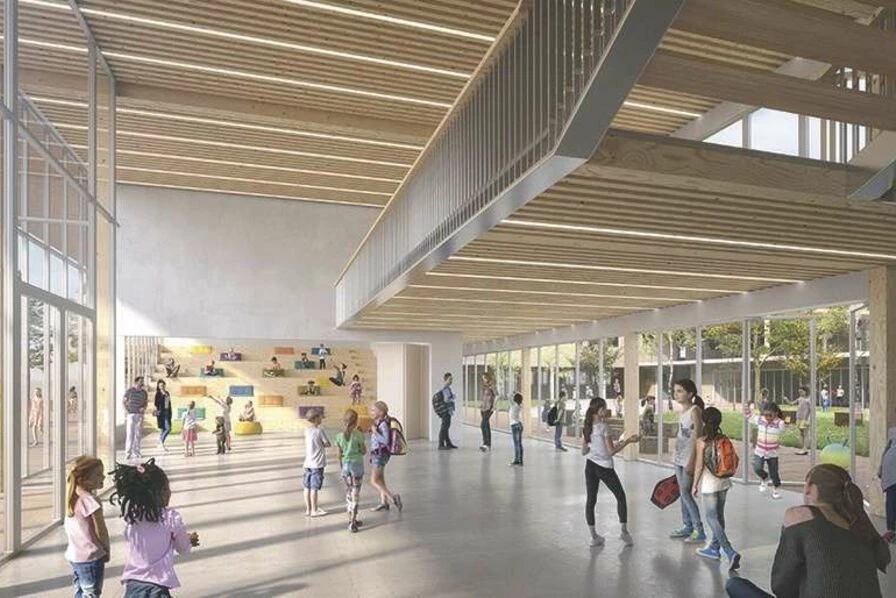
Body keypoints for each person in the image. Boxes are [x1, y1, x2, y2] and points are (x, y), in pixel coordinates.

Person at [726, 464, 890, 598]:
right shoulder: (860, 528)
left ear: (809, 489)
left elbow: (781, 586)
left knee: (735, 585)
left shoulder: (800, 515)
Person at [111, 459, 201, 597]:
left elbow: (138, 538)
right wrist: (188, 540)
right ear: (156, 493)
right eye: (166, 489)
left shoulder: (133, 518)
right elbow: (183, 548)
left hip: (133, 586)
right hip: (157, 588)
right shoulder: (170, 517)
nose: (169, 492)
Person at [582, 397, 638, 547]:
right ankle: (624, 532)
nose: (606, 410)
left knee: (591, 500)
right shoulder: (604, 427)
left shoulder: (587, 426)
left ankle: (594, 536)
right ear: (599, 410)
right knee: (621, 496)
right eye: (604, 408)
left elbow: (583, 451)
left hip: (590, 465)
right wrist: (628, 441)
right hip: (604, 467)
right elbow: (611, 451)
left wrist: (594, 448)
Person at [692, 407, 741, 570]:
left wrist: (694, 485)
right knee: (719, 517)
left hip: (710, 485)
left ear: (704, 421)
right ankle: (714, 548)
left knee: (712, 518)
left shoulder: (702, 441)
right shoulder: (724, 438)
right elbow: (736, 459)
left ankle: (729, 551)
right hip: (724, 482)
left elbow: (699, 466)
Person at [64, 456, 109, 598]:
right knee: (91, 593)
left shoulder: (72, 498)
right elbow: (100, 530)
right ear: (84, 480)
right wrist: (106, 549)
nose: (103, 477)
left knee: (80, 591)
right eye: (98, 474)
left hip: (75, 556)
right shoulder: (90, 501)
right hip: (91, 557)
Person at [669, 378, 707, 544]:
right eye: (675, 391)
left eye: (680, 391)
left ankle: (699, 530)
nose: (676, 394)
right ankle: (687, 525)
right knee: (682, 492)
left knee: (685, 492)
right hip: (679, 458)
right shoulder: (682, 412)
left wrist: (692, 461)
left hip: (688, 459)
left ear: (690, 394)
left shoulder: (695, 411)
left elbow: (698, 438)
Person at [335, 409, 367, 533]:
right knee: (356, 493)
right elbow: (363, 451)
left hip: (345, 467)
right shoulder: (358, 435)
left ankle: (350, 519)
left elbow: (338, 455)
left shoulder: (338, 436)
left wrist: (341, 466)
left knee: (349, 493)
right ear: (356, 421)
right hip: (357, 466)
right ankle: (353, 522)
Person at [748, 401, 785, 500]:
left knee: (774, 472)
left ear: (776, 413)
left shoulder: (779, 423)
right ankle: (764, 477)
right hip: (759, 450)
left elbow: (783, 429)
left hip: (772, 453)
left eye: (770, 415)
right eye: (766, 415)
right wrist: (747, 407)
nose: (768, 418)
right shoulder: (760, 420)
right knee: (757, 467)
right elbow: (749, 417)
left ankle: (776, 488)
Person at [369, 401, 402, 512]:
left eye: (373, 410)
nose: (371, 412)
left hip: (379, 454)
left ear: (381, 412)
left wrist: (375, 432)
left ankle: (393, 497)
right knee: (380, 479)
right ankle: (384, 502)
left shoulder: (383, 425)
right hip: (378, 454)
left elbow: (385, 440)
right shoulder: (379, 423)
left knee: (373, 480)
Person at [303, 409, 331, 517]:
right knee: (314, 488)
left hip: (307, 463)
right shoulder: (319, 431)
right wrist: (323, 445)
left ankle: (308, 509)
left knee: (307, 487)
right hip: (317, 464)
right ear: (315, 418)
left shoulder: (307, 431)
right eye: (319, 417)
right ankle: (314, 510)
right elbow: (327, 443)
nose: (321, 418)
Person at [123, 377, 148, 460]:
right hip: (131, 414)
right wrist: (126, 411)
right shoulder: (130, 391)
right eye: (141, 381)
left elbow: (145, 402)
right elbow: (124, 401)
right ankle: (128, 453)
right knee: (130, 434)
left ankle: (136, 452)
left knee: (138, 434)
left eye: (142, 381)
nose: (142, 383)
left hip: (139, 414)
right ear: (136, 382)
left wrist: (144, 408)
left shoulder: (144, 392)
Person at [879, 424, 896, 544]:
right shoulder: (893, 431)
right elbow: (886, 450)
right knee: (891, 500)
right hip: (891, 470)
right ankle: (891, 530)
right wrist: (881, 467)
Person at [436, 372, 457, 450]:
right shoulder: (445, 389)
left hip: (446, 410)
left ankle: (448, 443)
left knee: (446, 427)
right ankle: (441, 444)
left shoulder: (447, 388)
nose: (451, 381)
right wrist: (452, 397)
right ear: (446, 380)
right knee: (444, 427)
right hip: (446, 410)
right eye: (450, 379)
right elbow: (446, 400)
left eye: (452, 379)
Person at [154, 380, 172, 453]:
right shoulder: (158, 394)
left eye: (163, 385)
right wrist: (162, 395)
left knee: (163, 429)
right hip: (161, 413)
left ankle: (160, 444)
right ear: (158, 386)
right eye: (160, 385)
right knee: (168, 429)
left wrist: (165, 394)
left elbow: (169, 403)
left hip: (167, 412)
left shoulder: (167, 393)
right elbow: (156, 404)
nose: (162, 386)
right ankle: (161, 442)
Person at [479, 372, 496, 452]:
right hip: (483, 408)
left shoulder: (492, 386)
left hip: (489, 408)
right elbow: (483, 396)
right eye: (483, 378)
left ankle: (486, 443)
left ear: (487, 377)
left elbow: (497, 395)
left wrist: (494, 406)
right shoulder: (484, 386)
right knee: (486, 426)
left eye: (484, 378)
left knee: (483, 425)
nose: (483, 379)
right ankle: (487, 444)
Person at [794, 386, 811, 456]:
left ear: (805, 391)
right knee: (801, 433)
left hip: (805, 419)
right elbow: (791, 403)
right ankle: (803, 448)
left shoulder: (808, 400)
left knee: (805, 433)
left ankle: (805, 449)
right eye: (799, 392)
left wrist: (808, 419)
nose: (800, 393)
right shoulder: (800, 399)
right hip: (799, 418)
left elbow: (811, 410)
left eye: (801, 392)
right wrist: (786, 399)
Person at [509, 392, 524, 466]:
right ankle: (519, 460)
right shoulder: (519, 405)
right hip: (519, 425)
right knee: (519, 444)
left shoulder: (514, 405)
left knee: (516, 444)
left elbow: (509, 397)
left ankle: (517, 460)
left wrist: (512, 393)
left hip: (515, 425)